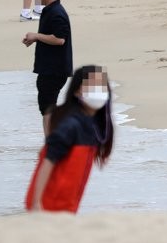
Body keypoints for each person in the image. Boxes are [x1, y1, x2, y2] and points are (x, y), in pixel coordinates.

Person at [25, 64, 112, 213]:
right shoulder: (71, 125)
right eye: (92, 86)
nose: (98, 91)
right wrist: (36, 204)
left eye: (101, 86)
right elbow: (48, 161)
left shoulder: (92, 125)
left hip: (67, 207)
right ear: (77, 91)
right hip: (48, 205)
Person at [20, 0, 73, 136]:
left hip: (54, 69)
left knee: (47, 108)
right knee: (47, 107)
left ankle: (53, 144)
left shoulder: (56, 13)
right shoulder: (50, 10)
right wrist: (36, 39)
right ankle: (54, 141)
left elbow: (59, 40)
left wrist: (36, 36)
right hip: (49, 68)